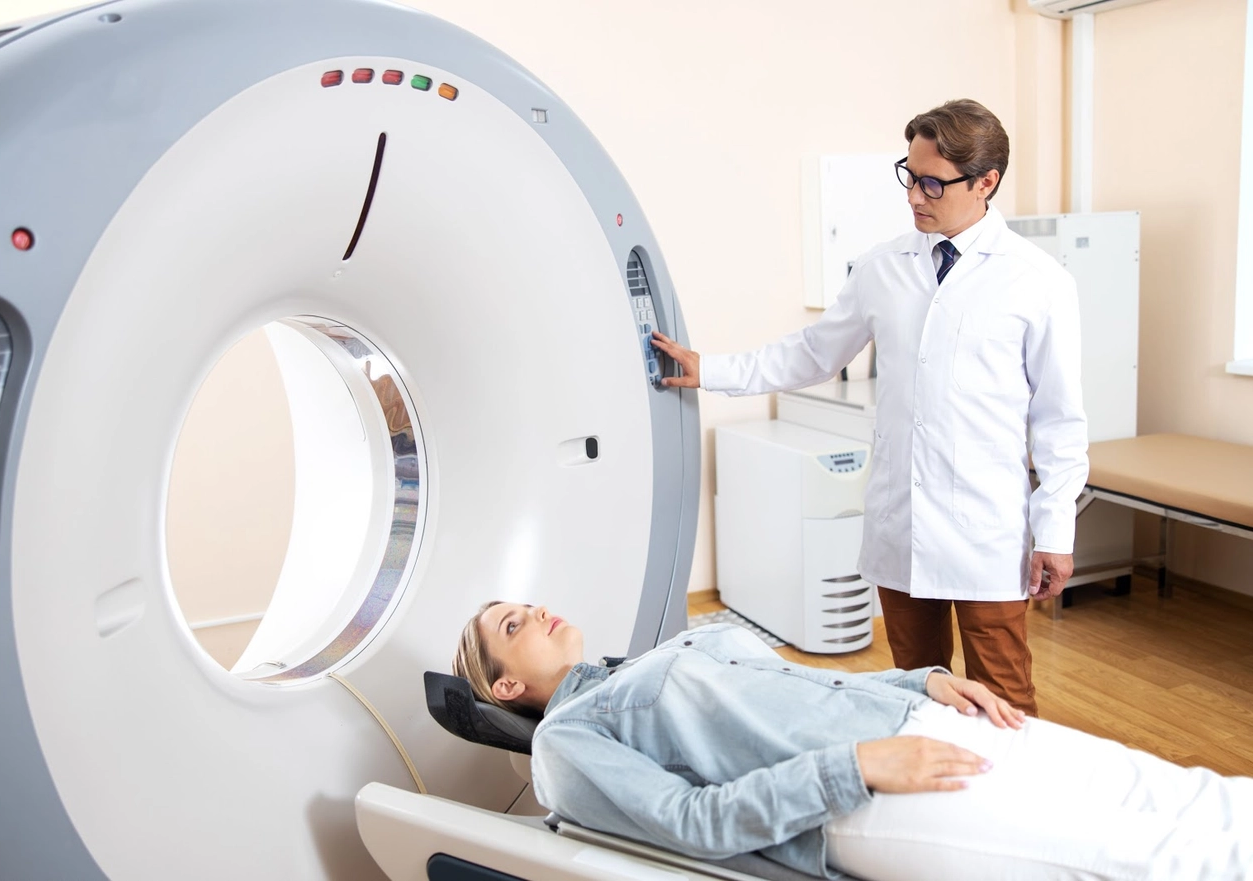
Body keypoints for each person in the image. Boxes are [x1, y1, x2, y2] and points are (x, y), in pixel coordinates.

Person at [651, 99, 1088, 717]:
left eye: (933, 182)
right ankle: (923, 801)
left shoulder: (1038, 281)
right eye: (909, 175)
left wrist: (1055, 529)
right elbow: (813, 353)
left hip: (988, 531)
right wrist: (712, 370)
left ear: (986, 182)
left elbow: (1059, 420)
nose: (915, 195)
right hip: (900, 521)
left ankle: (1003, 805)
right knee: (914, 687)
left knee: (1004, 696)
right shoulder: (884, 266)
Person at [453, 601, 1252, 881]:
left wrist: (922, 681)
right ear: (505, 688)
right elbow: (691, 820)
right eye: (512, 626)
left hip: (919, 722)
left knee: (1181, 789)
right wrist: (855, 767)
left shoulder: (658, 652)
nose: (535, 610)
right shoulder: (566, 740)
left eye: (525, 602)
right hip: (866, 797)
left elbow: (809, 683)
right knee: (1153, 856)